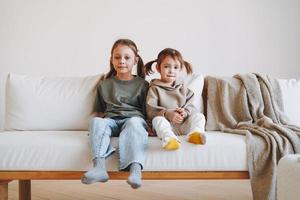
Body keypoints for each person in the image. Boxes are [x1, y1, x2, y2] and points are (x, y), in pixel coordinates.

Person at [81, 39, 149, 189]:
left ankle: (136, 170)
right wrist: (95, 129)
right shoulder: (105, 84)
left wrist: (151, 127)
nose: (121, 61)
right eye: (117, 57)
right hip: (111, 121)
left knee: (134, 122)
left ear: (135, 60)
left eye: (127, 57)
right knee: (96, 122)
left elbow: (147, 111)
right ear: (111, 59)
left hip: (133, 120)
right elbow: (99, 112)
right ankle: (99, 168)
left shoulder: (143, 85)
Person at [145, 48, 206, 151]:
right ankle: (169, 139)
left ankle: (195, 134)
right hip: (167, 126)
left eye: (175, 67)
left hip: (183, 125)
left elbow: (191, 106)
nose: (171, 71)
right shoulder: (154, 88)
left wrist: (185, 112)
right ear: (158, 68)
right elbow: (151, 110)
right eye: (166, 66)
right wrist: (168, 114)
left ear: (180, 69)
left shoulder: (184, 88)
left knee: (200, 116)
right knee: (158, 120)